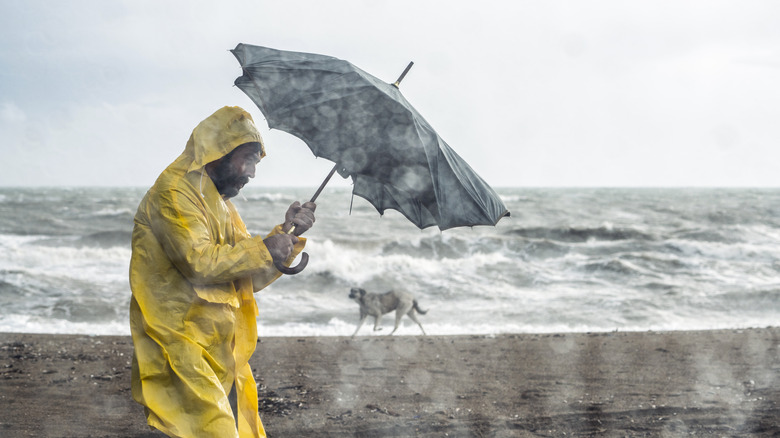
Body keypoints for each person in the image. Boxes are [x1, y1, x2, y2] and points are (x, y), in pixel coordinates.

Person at [129, 106, 315, 437]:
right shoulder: (174, 193)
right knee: (214, 431)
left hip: (219, 344)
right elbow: (199, 263)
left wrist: (288, 232)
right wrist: (266, 248)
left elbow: (247, 275)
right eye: (248, 159)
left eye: (256, 162)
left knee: (237, 428)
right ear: (217, 152)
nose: (252, 173)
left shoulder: (219, 203)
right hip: (180, 338)